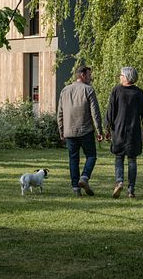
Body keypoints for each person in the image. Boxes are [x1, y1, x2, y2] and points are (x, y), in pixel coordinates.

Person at [57, 65, 104, 196]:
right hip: (85, 130)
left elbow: (60, 113)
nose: (91, 78)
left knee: (73, 159)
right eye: (89, 75)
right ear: (82, 75)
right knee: (91, 156)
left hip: (69, 131)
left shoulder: (64, 90)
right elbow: (95, 112)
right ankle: (84, 177)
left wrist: (61, 131)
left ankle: (75, 188)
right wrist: (99, 130)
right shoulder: (88, 90)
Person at [105, 66, 143, 199]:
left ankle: (119, 182)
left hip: (118, 130)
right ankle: (131, 189)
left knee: (119, 157)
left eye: (121, 75)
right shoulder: (139, 93)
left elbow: (110, 111)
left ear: (126, 77)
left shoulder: (116, 90)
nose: (119, 77)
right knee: (132, 159)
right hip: (134, 131)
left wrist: (107, 128)